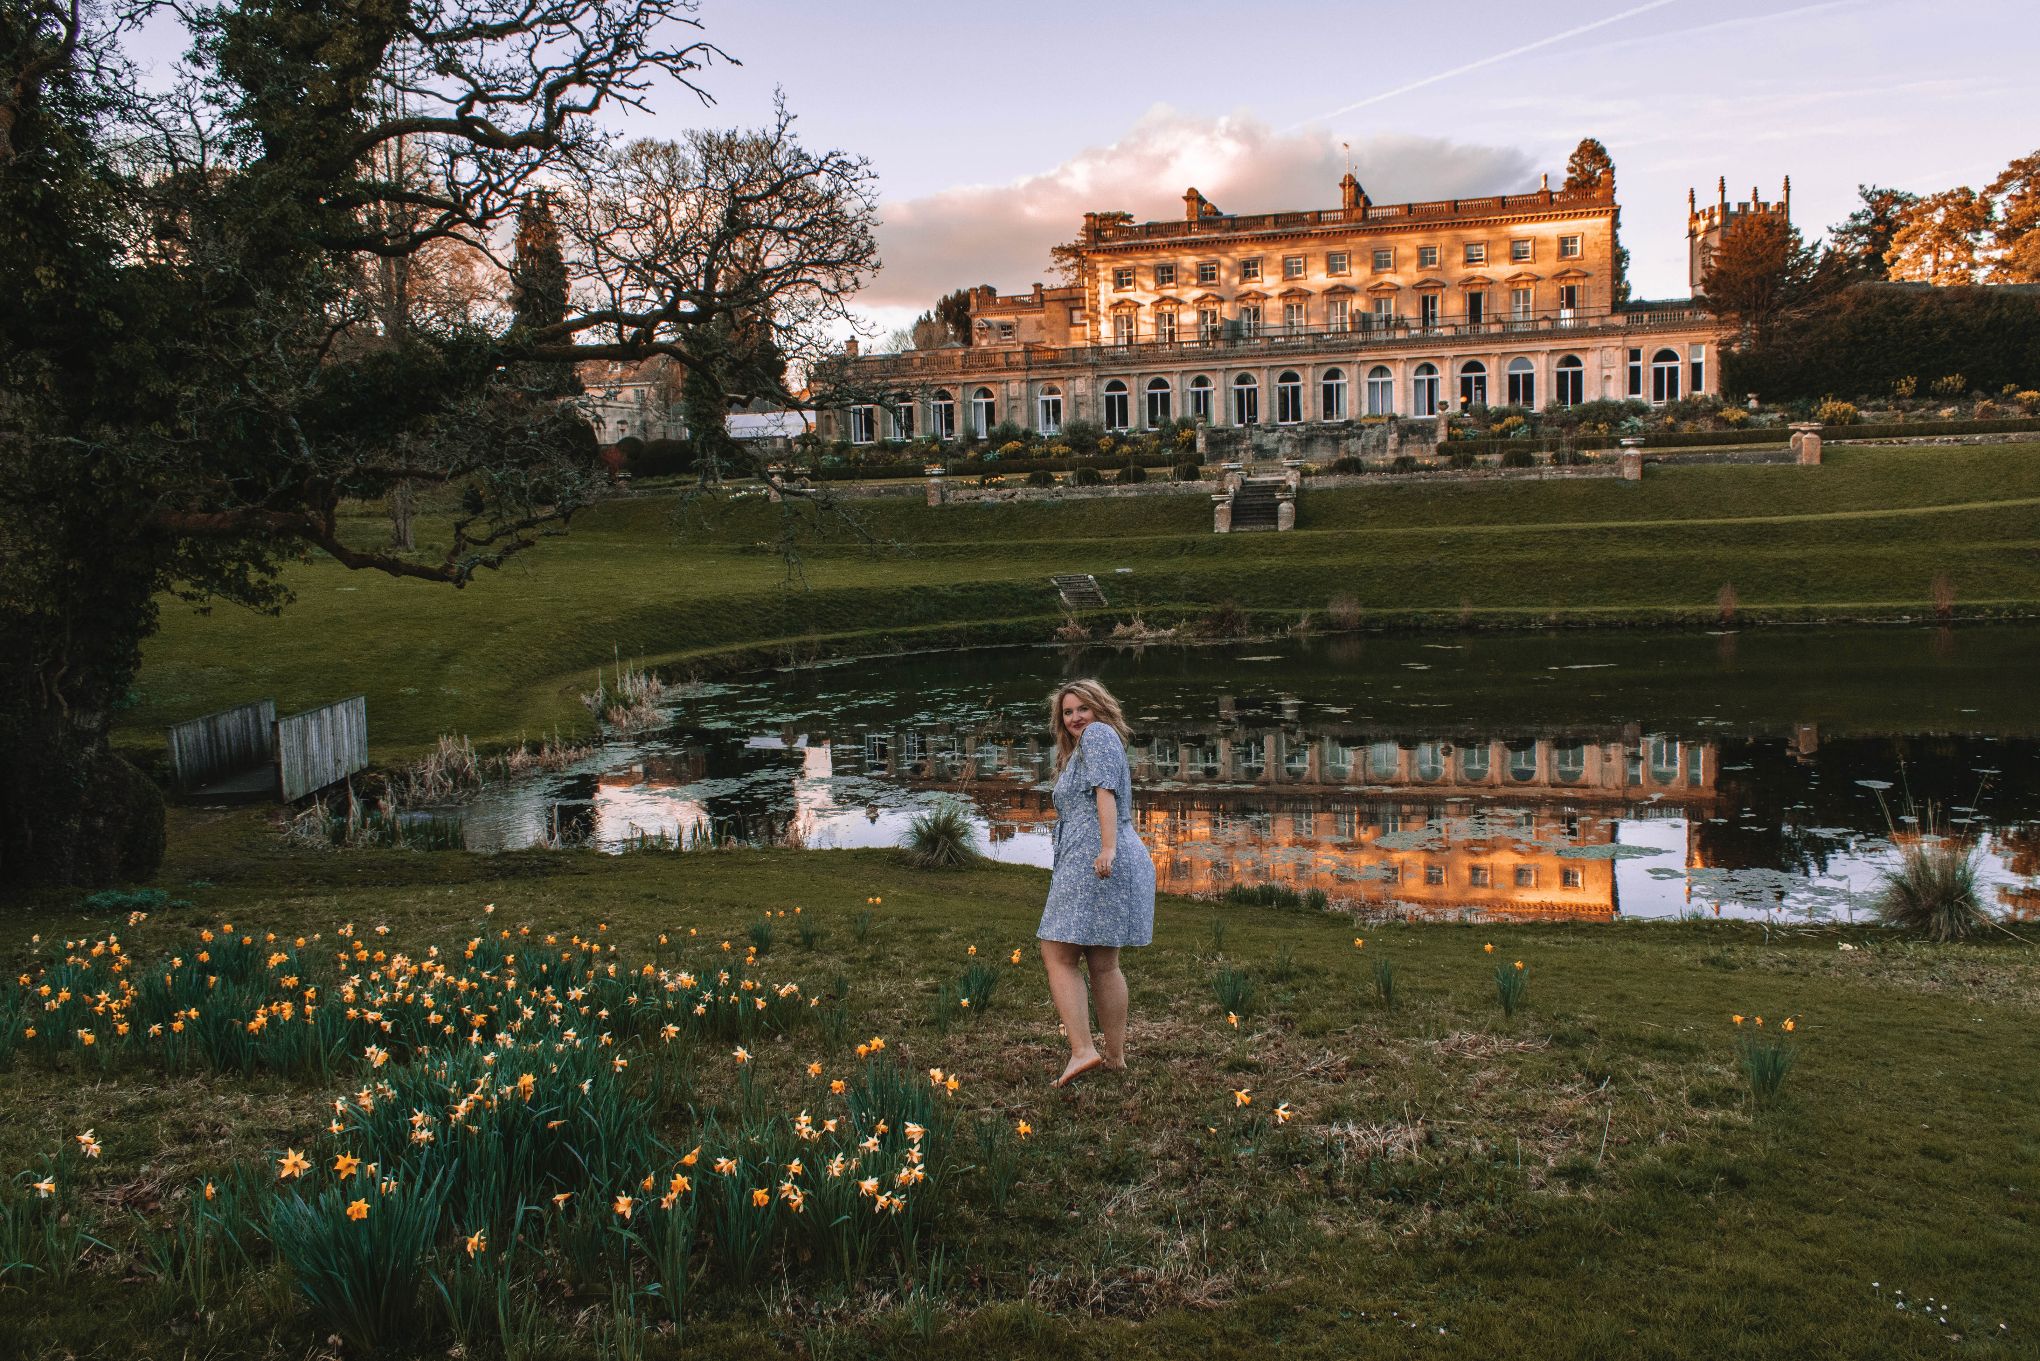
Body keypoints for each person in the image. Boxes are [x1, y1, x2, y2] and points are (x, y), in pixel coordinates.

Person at [1037, 678, 1156, 1087]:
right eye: (1067, 712)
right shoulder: (1085, 748)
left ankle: (1084, 1050)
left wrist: (1106, 850)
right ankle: (1116, 1058)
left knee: (1057, 951)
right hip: (1100, 856)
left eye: (1081, 709)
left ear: (1100, 709)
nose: (1075, 718)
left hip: (1096, 857)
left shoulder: (1099, 735)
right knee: (1104, 962)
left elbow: (1106, 794)